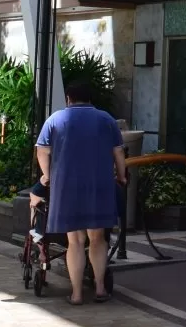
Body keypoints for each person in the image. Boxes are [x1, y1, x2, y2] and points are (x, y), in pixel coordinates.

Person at [35, 81, 127, 306]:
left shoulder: (55, 119)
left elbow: (42, 151)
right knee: (97, 238)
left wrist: (48, 176)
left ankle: (76, 294)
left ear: (68, 99)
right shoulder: (106, 119)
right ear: (90, 99)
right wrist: (122, 176)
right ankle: (100, 288)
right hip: (99, 184)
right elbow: (118, 152)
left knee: (75, 241)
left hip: (67, 186)